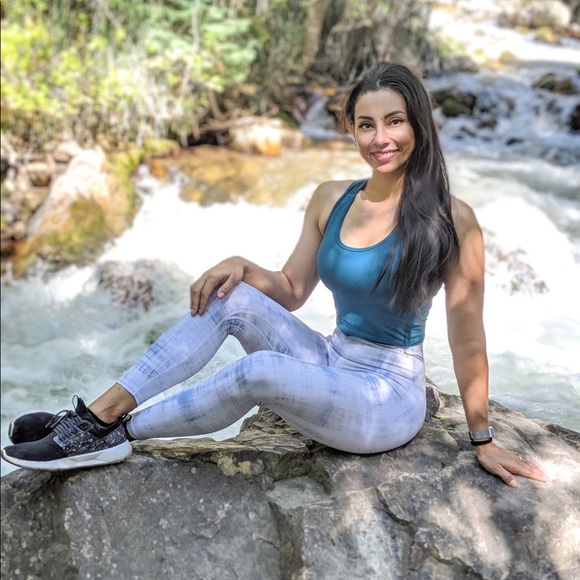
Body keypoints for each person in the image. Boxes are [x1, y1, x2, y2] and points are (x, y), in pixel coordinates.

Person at [2, 62, 547, 488]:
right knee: (231, 295)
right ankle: (100, 415)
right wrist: (242, 266)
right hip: (331, 358)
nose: (381, 138)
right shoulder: (331, 199)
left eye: (395, 121)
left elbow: (467, 336)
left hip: (386, 396)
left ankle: (113, 432)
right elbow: (291, 290)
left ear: (418, 125)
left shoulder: (453, 219)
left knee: (259, 370)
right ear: (351, 130)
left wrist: (483, 439)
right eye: (366, 125)